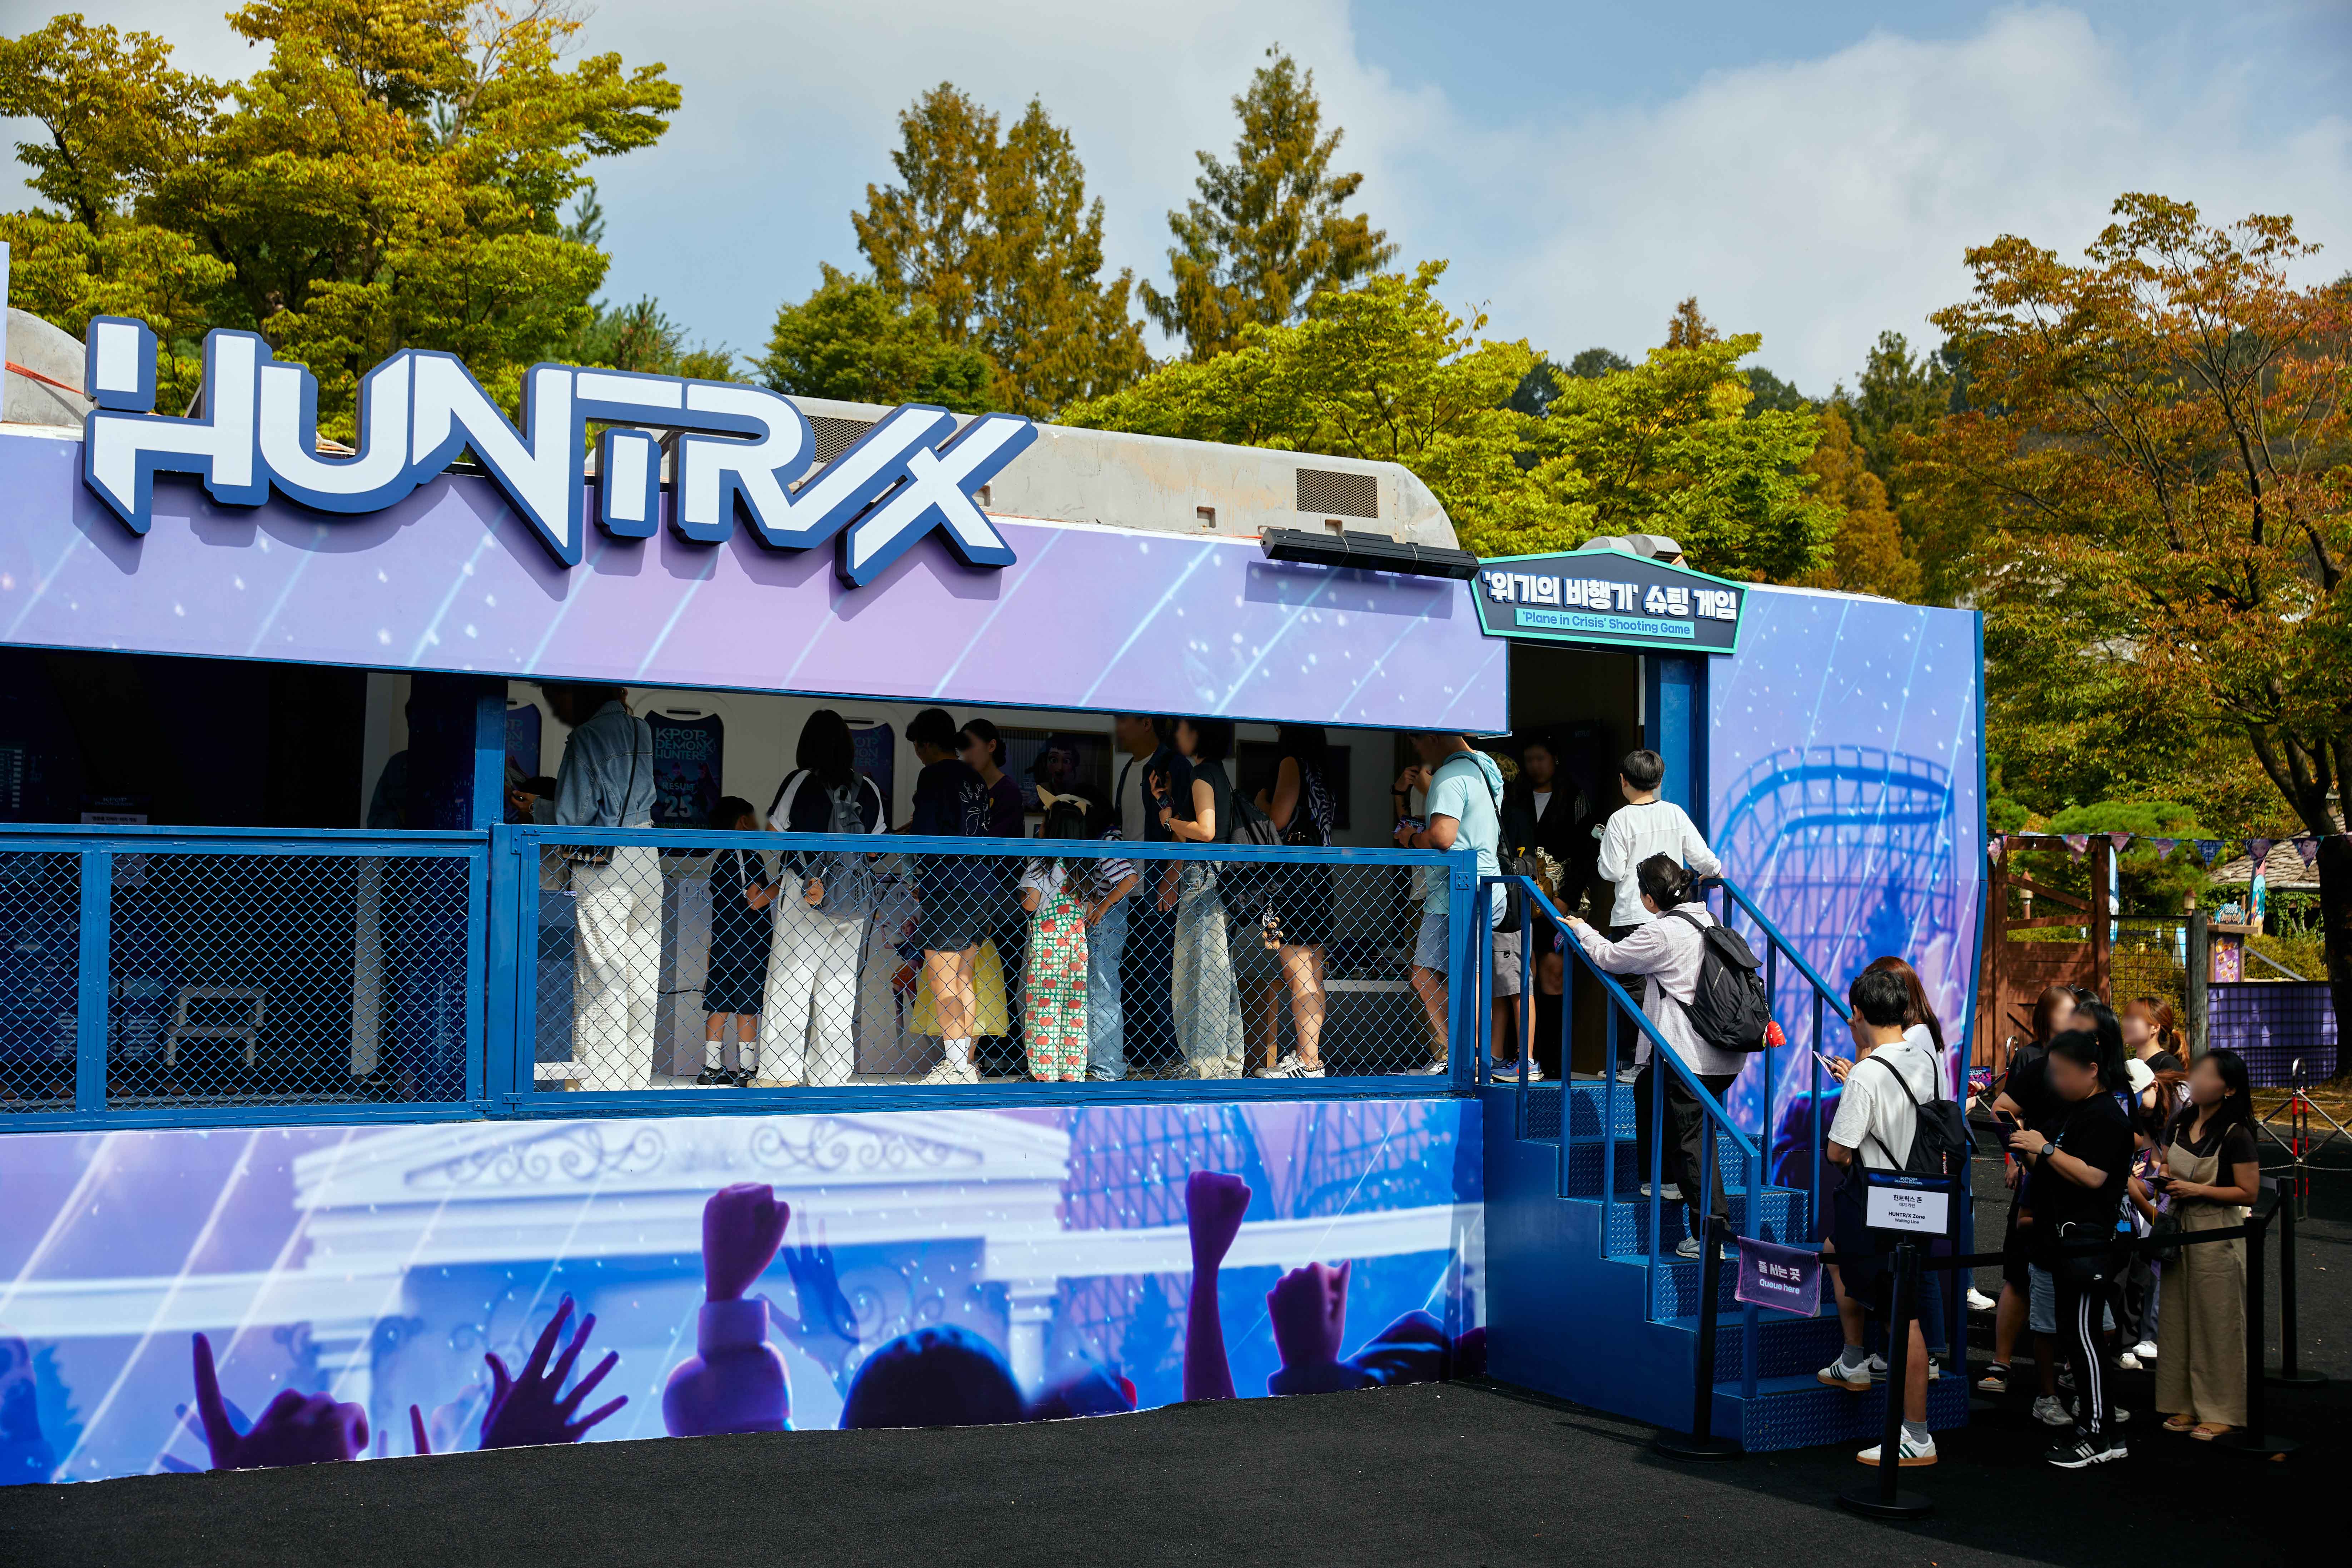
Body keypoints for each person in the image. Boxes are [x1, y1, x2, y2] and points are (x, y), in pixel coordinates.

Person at [1560, 855, 1740, 1254]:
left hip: (1690, 1057)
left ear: (1647, 899)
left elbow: (1610, 957)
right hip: (1721, 1052)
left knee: (1692, 1142)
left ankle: (1712, 1236)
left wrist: (1583, 929)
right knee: (1647, 1085)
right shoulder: (1707, 920)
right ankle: (1666, 1179)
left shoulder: (1662, 933)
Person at [1816, 964, 1947, 1467]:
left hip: (1880, 1202)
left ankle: (1915, 1433)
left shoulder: (1867, 1074)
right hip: (1921, 1197)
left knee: (1903, 1318)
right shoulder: (1925, 1057)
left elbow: (1838, 1151)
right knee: (1837, 1254)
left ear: (1858, 1013)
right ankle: (1854, 1359)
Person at [2008, 1027, 2134, 1468]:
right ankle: (2099, 1429)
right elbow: (2055, 1167)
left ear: (2092, 1070)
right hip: (2064, 1240)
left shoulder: (2106, 1116)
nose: (2056, 1081)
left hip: (2087, 1242)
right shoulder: (2075, 1111)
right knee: (2075, 1336)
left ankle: (2100, 1432)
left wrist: (2042, 1147)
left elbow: (2094, 1175)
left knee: (2085, 1338)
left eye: (2063, 1073)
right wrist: (2026, 1146)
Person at [763, 711, 887, 1087]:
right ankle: (831, 1075)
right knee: (839, 988)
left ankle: (781, 1074)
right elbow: (875, 850)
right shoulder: (869, 787)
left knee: (791, 981)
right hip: (853, 899)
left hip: (806, 891)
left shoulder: (801, 780)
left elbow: (774, 832)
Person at [545, 681, 657, 1092]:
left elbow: (574, 814)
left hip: (605, 863)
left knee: (601, 972)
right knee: (643, 972)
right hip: (648, 854)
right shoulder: (642, 729)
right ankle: (635, 1078)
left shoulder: (586, 736)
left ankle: (599, 1080)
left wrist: (536, 806)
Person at [2154, 1047, 2261, 1440]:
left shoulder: (2237, 1134)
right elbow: (2167, 1163)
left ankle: (2222, 1409)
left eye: (2208, 1075)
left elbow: (2248, 1192)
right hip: (2180, 1228)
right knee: (2178, 1318)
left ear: (2229, 1089)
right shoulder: (2182, 1121)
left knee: (2218, 1322)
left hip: (2218, 1233)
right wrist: (2164, 1176)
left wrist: (2197, 1189)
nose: (2196, 1080)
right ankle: (2183, 1400)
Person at [1978, 981, 2076, 1405]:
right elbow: (2003, 1110)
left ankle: (2073, 1367)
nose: (2073, 1017)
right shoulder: (2032, 1059)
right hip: (2037, 1180)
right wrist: (2016, 1156)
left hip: (2075, 1183)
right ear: (2046, 1015)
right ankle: (2001, 1362)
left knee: (2073, 1274)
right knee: (2018, 1272)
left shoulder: (2089, 1061)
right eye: (2066, 1010)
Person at [1593, 748, 1719, 1078]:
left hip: (1632, 916)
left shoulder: (1620, 819)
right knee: (1671, 992)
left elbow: (1611, 871)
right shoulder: (1675, 814)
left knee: (1630, 993)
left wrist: (1603, 850)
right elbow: (1703, 858)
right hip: (1671, 917)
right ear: (1659, 781)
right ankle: (1658, 1062)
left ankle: (1631, 1063)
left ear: (1623, 781)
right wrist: (1714, 871)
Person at [1395, 732, 1506, 1074]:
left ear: (1432, 737)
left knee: (1438, 976)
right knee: (1461, 976)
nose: (1416, 749)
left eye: (1416, 740)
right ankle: (1463, 1057)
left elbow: (1443, 836)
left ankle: (1464, 1058)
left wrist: (1411, 838)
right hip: (1484, 885)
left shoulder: (1449, 774)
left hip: (1455, 890)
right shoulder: (1486, 767)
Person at [901, 707, 993, 1085]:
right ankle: (965, 1063)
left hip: (948, 885)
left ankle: (954, 1066)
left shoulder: (933, 775)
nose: (918, 754)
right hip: (982, 884)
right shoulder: (975, 777)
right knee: (965, 977)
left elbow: (925, 835)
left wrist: (916, 871)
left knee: (942, 981)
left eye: (917, 747)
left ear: (925, 744)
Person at [1156, 718, 1244, 1078]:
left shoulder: (1201, 774)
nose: (1177, 734)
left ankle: (1206, 1066)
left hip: (1204, 879)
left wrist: (1168, 821)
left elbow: (1205, 831)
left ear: (1198, 734)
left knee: (1199, 973)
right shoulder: (1217, 772)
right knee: (1219, 972)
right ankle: (1228, 1063)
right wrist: (1167, 804)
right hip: (1219, 878)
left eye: (1183, 728)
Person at [1497, 733, 1583, 1078]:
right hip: (1517, 902)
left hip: (1557, 901)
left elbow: (1585, 853)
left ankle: (1554, 1063)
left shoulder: (1573, 797)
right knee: (1517, 977)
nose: (1535, 766)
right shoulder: (1513, 799)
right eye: (1529, 759)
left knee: (1552, 975)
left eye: (1541, 759)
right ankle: (1519, 1057)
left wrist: (1565, 899)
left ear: (1555, 760)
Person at [1252, 724, 1335, 1078]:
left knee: (1297, 971)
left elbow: (1278, 819)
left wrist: (1259, 802)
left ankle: (1308, 1061)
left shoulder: (1291, 762)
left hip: (1288, 879)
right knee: (1312, 970)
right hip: (1319, 876)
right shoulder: (1322, 769)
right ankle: (1309, 1056)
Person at [1111, 715, 1182, 1075]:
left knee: (1158, 974)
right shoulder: (1128, 769)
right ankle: (1140, 1057)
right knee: (1132, 972)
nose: (1117, 727)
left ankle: (1173, 1057)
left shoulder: (1171, 763)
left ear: (1145, 723)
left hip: (1158, 888)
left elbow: (1183, 820)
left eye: (1122, 720)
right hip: (1128, 889)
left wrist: (1172, 874)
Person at [1017, 794, 1101, 1082]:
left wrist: (1023, 896)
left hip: (1048, 944)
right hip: (1076, 944)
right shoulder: (1083, 868)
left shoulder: (1041, 865)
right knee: (1074, 1004)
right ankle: (1072, 1070)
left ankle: (1044, 1070)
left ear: (1050, 829)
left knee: (1045, 1004)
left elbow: (1031, 903)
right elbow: (1088, 906)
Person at [699, 797, 778, 1087]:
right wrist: (785, 882)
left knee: (719, 1005)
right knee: (748, 1007)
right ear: (744, 822)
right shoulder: (748, 856)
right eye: (755, 819)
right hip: (750, 946)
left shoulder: (721, 859)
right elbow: (756, 900)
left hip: (723, 944)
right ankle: (746, 1069)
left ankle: (711, 1068)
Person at [1063, 792, 1140, 1082]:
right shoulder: (1108, 839)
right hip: (1106, 923)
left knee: (1102, 992)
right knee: (1098, 991)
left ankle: (1107, 1068)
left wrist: (1103, 905)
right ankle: (1102, 1063)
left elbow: (1130, 878)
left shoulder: (1107, 841)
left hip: (1105, 925)